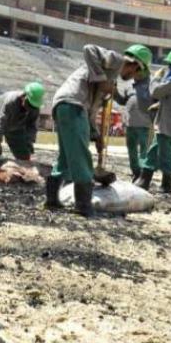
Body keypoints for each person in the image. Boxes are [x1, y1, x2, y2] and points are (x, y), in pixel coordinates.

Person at [47, 44, 143, 217]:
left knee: (66, 158)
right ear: (135, 64)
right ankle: (83, 206)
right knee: (81, 156)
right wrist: (101, 78)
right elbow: (88, 49)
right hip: (73, 103)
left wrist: (96, 135)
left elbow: (91, 113)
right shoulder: (117, 59)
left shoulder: (110, 78)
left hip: (67, 106)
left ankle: (52, 200)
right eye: (135, 72)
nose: (132, 76)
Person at [136, 48, 171, 193]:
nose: (168, 68)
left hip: (167, 125)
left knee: (166, 155)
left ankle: (166, 185)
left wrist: (155, 78)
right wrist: (159, 105)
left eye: (170, 65)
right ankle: (144, 180)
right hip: (169, 124)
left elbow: (155, 92)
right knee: (153, 152)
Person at [113, 44, 154, 180]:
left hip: (145, 126)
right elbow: (122, 101)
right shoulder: (130, 86)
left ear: (140, 67)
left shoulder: (152, 85)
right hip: (130, 125)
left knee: (144, 153)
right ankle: (136, 174)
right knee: (132, 153)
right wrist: (113, 91)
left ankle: (143, 177)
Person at [0, 81, 44, 169]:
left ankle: (25, 166)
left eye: (33, 105)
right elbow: (0, 122)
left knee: (23, 151)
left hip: (16, 124)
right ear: (24, 96)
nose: (31, 107)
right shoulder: (10, 101)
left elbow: (31, 126)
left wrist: (29, 142)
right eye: (29, 104)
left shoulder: (35, 108)